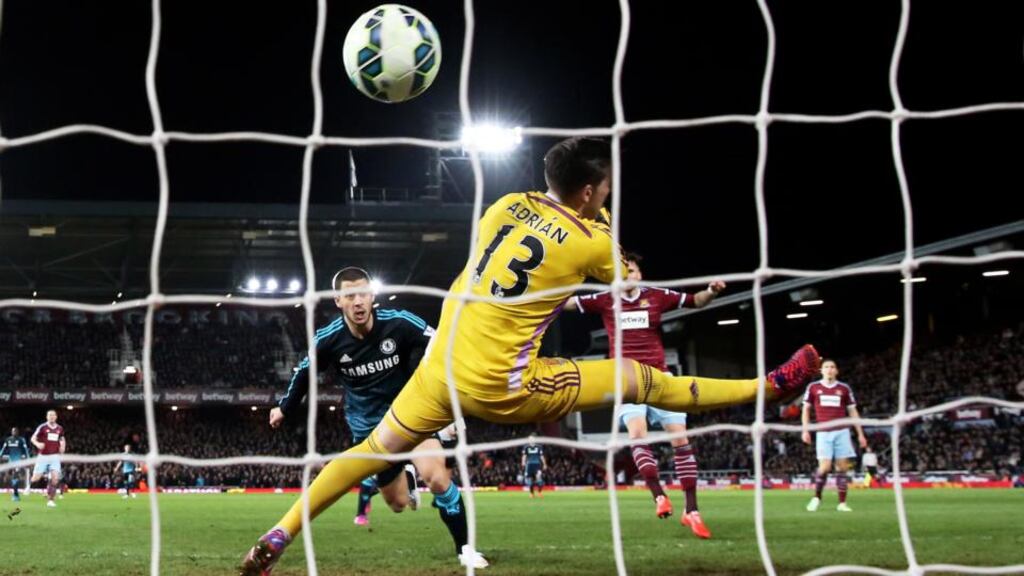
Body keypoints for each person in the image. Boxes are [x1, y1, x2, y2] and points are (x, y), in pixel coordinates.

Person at [240, 136, 821, 574]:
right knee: (643, 380)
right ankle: (767, 388)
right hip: (501, 381)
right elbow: (624, 284)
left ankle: (278, 535)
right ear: (592, 191)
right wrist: (605, 223)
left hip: (439, 364)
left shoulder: (505, 204)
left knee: (367, 453)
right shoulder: (593, 236)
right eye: (606, 187)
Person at [269, 266, 488, 569]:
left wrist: (451, 398)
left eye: (363, 294)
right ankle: (405, 476)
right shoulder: (328, 339)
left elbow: (441, 347)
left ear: (372, 296)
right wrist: (284, 408)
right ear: (338, 301)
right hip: (369, 431)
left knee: (437, 478)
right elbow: (303, 374)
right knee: (398, 504)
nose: (357, 301)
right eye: (349, 295)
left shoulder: (399, 322)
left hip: (410, 415)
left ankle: (466, 548)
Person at [573, 251, 723, 538]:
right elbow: (567, 303)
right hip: (628, 379)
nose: (625, 275)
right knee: (637, 433)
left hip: (660, 376)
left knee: (680, 437)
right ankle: (659, 496)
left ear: (639, 275)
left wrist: (711, 292)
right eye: (620, 271)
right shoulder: (605, 299)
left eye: (630, 270)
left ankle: (691, 511)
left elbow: (694, 301)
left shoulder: (656, 296)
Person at [802, 359, 867, 512]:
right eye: (826, 367)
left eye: (832, 367)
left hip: (842, 431)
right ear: (821, 371)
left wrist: (860, 434)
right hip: (823, 432)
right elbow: (806, 410)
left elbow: (853, 411)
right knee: (824, 468)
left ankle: (842, 503)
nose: (830, 369)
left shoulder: (844, 388)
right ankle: (816, 497)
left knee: (842, 468)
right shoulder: (813, 387)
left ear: (836, 371)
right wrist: (805, 430)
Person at [29, 410, 65, 508]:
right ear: (46, 417)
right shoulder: (42, 427)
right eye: (50, 415)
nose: (52, 417)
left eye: (53, 415)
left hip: (55, 456)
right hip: (43, 456)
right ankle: (28, 487)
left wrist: (63, 446)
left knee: (55, 478)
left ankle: (50, 500)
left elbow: (62, 439)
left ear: (56, 417)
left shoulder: (59, 428)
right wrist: (38, 444)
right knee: (36, 478)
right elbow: (32, 438)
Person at [1, 427, 31, 502]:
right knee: (11, 476)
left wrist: (28, 459)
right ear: (11, 432)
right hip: (10, 461)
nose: (14, 432)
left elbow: (26, 450)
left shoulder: (21, 440)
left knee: (15, 476)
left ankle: (15, 495)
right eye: (12, 431)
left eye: (15, 431)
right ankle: (15, 493)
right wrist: (0, 455)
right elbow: (3, 449)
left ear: (18, 432)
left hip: (18, 461)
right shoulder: (8, 440)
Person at [521, 434, 546, 498]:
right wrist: (523, 462)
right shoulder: (526, 447)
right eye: (529, 439)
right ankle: (532, 494)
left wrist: (544, 464)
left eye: (532, 439)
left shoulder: (539, 447)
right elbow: (524, 455)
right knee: (529, 480)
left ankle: (539, 492)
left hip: (537, 465)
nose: (531, 440)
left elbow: (541, 456)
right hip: (529, 465)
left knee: (539, 480)